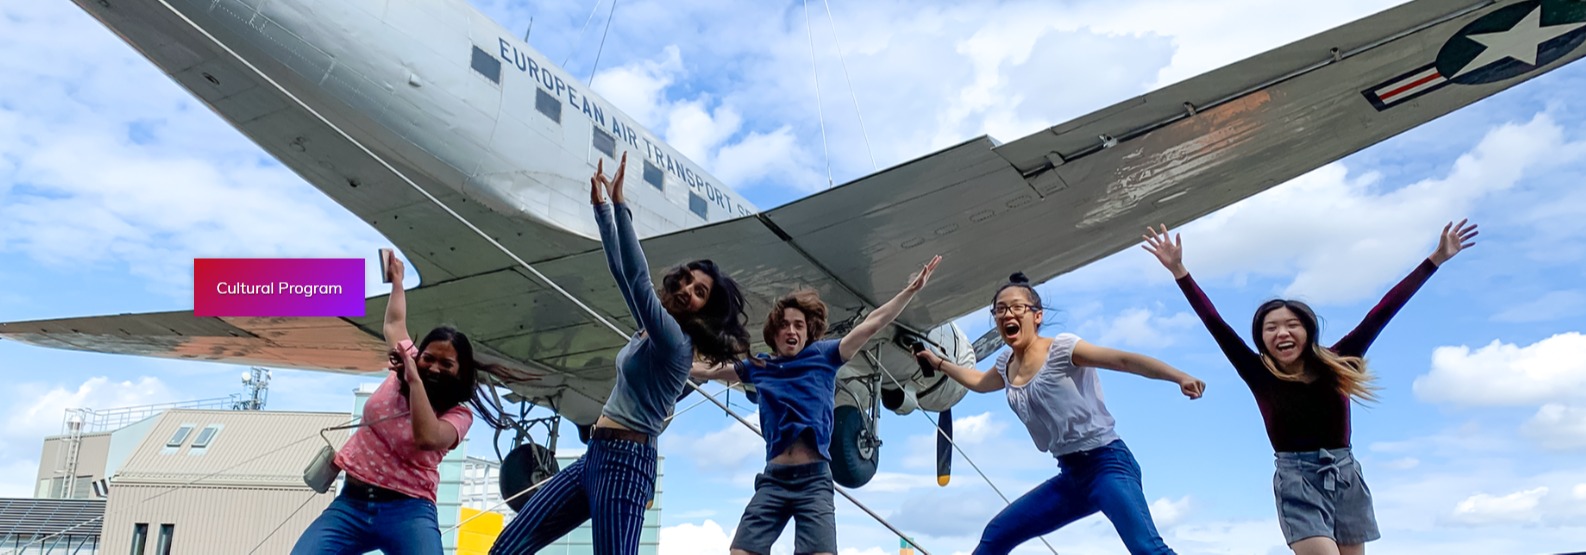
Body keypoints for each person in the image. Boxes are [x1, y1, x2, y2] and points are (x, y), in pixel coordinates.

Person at [1141, 220, 1478, 555]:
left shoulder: (1339, 360)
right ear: (1261, 339)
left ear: (1308, 330)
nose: (1282, 333)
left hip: (1345, 476)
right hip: (1297, 480)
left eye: (1292, 325)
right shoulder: (1258, 372)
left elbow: (1383, 311)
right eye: (1271, 328)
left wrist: (1435, 259)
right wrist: (1179, 270)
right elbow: (1215, 322)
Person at [490, 153, 752, 555]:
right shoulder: (651, 328)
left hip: (627, 463)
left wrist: (620, 205)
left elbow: (637, 278)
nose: (686, 291)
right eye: (686, 281)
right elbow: (621, 271)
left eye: (699, 292)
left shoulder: (675, 343)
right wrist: (602, 212)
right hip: (596, 453)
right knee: (508, 547)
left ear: (707, 310)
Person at [916, 273, 1203, 555]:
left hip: (1108, 464)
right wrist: (939, 363)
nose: (1007, 315)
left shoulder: (1062, 349)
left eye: (1017, 307)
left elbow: (1124, 360)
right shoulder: (1006, 364)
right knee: (996, 534)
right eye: (1000, 310)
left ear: (1037, 316)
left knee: (1146, 548)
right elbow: (979, 381)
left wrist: (1179, 377)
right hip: (1071, 475)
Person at [693, 256, 943, 555]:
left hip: (814, 481)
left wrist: (910, 291)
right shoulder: (759, 366)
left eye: (798, 325)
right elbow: (710, 370)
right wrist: (670, 359)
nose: (791, 331)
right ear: (774, 333)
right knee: (741, 552)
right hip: (774, 479)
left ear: (808, 331)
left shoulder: (825, 356)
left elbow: (871, 324)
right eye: (784, 325)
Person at [293, 255, 514, 555]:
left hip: (409, 510)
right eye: (429, 358)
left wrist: (415, 381)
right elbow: (394, 323)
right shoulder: (407, 364)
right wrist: (397, 281)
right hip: (352, 503)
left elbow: (427, 437)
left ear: (461, 373)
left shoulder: (459, 414)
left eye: (446, 364)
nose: (434, 368)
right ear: (418, 355)